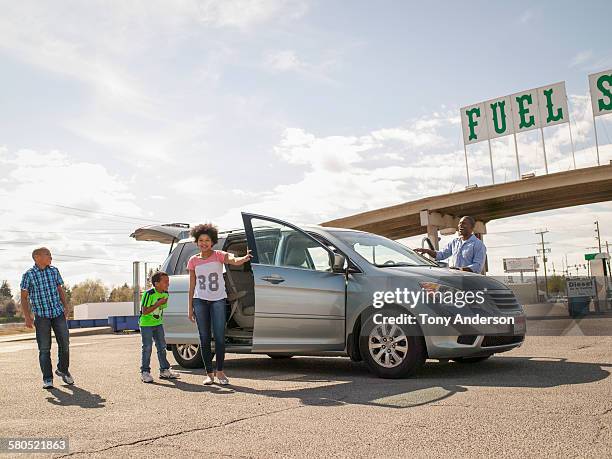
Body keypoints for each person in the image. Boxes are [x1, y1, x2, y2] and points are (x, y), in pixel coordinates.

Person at [187, 223, 252, 386]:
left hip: (218, 300)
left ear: (213, 241)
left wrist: (243, 259)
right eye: (201, 240)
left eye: (207, 240)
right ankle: (209, 374)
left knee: (220, 337)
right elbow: (192, 285)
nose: (204, 243)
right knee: (204, 338)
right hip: (200, 301)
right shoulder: (193, 261)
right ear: (196, 242)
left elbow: (233, 260)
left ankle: (221, 372)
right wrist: (190, 308)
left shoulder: (218, 255)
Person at [20, 247, 73, 389]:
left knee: (65, 344)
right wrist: (27, 316)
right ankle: (47, 378)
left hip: (57, 313)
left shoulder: (54, 271)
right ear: (37, 257)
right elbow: (24, 298)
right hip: (41, 315)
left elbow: (59, 289)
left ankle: (63, 370)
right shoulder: (28, 275)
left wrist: (65, 305)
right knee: (44, 348)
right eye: (48, 254)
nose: (51, 257)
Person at [139, 271, 179, 383]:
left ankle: (164, 370)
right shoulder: (149, 294)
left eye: (168, 282)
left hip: (158, 324)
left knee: (162, 347)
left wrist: (160, 304)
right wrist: (158, 303)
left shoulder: (166, 293)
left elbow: (162, 308)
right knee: (147, 348)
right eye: (165, 282)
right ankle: (145, 372)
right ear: (156, 283)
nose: (168, 284)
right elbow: (145, 311)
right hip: (146, 325)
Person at [415, 216, 487, 274]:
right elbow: (441, 255)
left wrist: (459, 269)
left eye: (464, 223)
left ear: (472, 227)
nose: (460, 225)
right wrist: (427, 251)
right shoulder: (454, 242)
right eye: (460, 223)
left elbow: (477, 267)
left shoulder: (478, 245)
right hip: (456, 279)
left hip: (470, 281)